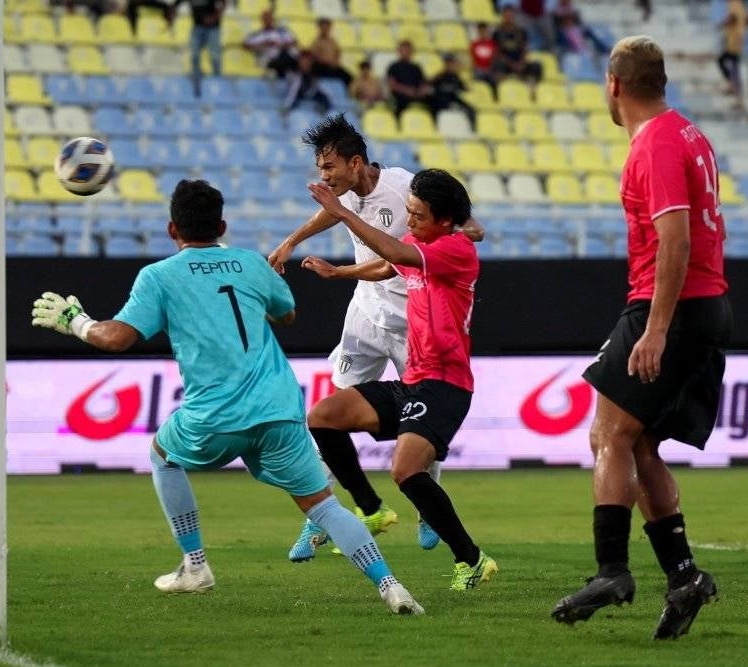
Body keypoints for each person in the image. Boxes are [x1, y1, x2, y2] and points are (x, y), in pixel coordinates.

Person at [30, 179, 423, 616]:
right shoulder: (251, 263)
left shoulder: (159, 277)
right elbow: (287, 314)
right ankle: (391, 586)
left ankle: (195, 565)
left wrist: (77, 322)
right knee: (324, 507)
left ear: (171, 230)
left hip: (215, 414)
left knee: (163, 454)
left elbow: (119, 337)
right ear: (222, 225)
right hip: (278, 409)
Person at [550, 36, 731, 640]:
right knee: (641, 443)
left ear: (614, 85)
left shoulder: (652, 143)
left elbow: (674, 239)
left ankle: (612, 571)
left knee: (608, 433)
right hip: (706, 305)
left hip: (671, 306)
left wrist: (654, 328)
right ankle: (683, 577)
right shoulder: (687, 133)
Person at [266, 114, 484, 562]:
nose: (323, 177)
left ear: (356, 162)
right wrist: (292, 241)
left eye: (328, 168)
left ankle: (428, 507)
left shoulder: (403, 185)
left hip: (416, 321)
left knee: (422, 419)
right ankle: (322, 515)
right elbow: (334, 213)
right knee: (333, 414)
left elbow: (421, 242)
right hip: (366, 313)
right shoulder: (346, 197)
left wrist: (468, 227)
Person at [300, 169, 497, 592]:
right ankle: (370, 509)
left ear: (444, 221)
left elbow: (395, 251)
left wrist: (340, 212)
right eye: (408, 213)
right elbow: (389, 265)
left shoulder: (454, 250)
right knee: (323, 416)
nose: (409, 222)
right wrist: (341, 274)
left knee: (405, 470)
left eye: (418, 216)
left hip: (446, 383)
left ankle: (471, 559)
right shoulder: (419, 243)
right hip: (414, 379)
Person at [491, 6, 544, 90]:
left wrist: (521, 63)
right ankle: (501, 90)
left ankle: (532, 90)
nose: (509, 18)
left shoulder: (521, 31)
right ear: (503, 16)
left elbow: (525, 49)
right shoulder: (497, 33)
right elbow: (497, 52)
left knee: (536, 66)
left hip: (520, 64)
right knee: (497, 65)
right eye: (506, 16)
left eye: (510, 16)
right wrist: (511, 64)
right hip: (506, 65)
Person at [244, 9, 298, 78]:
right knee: (284, 60)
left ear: (273, 19)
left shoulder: (282, 31)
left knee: (297, 57)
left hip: (285, 56)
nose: (268, 20)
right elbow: (245, 45)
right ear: (262, 20)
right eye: (265, 18)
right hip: (269, 60)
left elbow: (294, 42)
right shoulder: (258, 34)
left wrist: (282, 45)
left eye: (270, 18)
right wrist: (265, 44)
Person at [429, 53, 476, 127]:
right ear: (446, 65)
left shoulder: (455, 77)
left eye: (452, 64)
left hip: (453, 98)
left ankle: (473, 127)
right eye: (449, 64)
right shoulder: (439, 76)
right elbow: (430, 84)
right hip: (440, 99)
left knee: (470, 109)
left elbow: (465, 88)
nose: (451, 66)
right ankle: (435, 126)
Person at [386, 40, 431, 117]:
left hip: (416, 94)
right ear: (399, 51)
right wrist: (407, 91)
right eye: (404, 50)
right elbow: (392, 85)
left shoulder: (416, 67)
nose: (406, 52)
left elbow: (422, 83)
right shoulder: (393, 67)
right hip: (400, 96)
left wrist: (420, 91)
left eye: (408, 50)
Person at [309, 17, 352, 87]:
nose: (325, 29)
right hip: (322, 66)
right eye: (323, 27)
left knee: (349, 77)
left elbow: (338, 53)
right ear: (319, 28)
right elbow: (315, 56)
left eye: (327, 27)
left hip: (333, 66)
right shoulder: (316, 42)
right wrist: (327, 62)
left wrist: (336, 62)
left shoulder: (333, 41)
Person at [717, 0, 748, 98]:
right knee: (733, 65)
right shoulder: (739, 5)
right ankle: (735, 86)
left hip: (735, 45)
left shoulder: (735, 4)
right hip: (734, 44)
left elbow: (733, 17)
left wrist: (723, 23)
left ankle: (734, 85)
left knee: (723, 61)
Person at [470, 22, 499, 93]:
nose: (483, 33)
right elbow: (474, 60)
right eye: (481, 31)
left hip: (490, 69)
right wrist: (480, 68)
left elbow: (494, 58)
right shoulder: (474, 44)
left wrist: (489, 68)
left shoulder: (492, 44)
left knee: (493, 79)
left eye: (484, 31)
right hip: (479, 69)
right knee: (479, 76)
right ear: (478, 32)